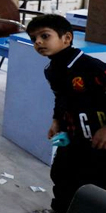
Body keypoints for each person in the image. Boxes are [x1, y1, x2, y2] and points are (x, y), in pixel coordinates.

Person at [27, 14, 106, 213]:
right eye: (34, 38)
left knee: (95, 184)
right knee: (62, 175)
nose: (38, 42)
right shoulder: (52, 70)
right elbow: (60, 97)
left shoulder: (91, 67)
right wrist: (56, 120)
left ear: (67, 38)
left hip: (99, 143)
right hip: (73, 138)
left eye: (45, 36)